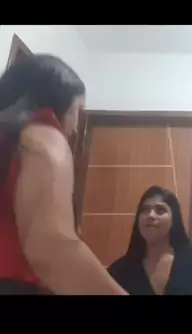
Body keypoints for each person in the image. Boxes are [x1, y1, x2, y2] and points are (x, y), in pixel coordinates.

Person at [0, 54, 127, 295]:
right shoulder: (43, 136)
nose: (77, 127)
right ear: (60, 101)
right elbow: (51, 247)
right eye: (79, 110)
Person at [108, 186, 192, 295]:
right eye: (145, 210)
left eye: (160, 210)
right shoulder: (121, 269)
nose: (151, 215)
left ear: (174, 220)